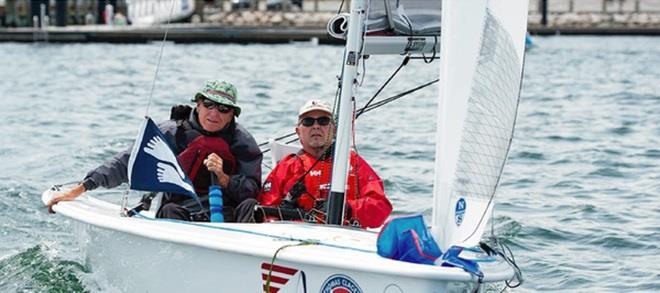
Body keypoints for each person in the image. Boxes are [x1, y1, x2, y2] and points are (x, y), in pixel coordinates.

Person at [46, 80, 262, 222]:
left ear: (233, 113)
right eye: (209, 105)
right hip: (180, 211)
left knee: (251, 206)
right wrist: (81, 188)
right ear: (197, 104)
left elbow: (253, 189)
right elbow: (125, 163)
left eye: (224, 109)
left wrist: (225, 179)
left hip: (228, 214)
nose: (215, 113)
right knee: (170, 212)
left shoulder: (242, 142)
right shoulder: (170, 132)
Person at [257, 99, 392, 228]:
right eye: (308, 122)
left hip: (346, 237)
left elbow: (381, 207)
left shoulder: (353, 162)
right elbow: (265, 213)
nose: (316, 126)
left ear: (333, 129)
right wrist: (286, 213)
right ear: (298, 131)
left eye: (323, 121)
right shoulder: (287, 167)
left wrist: (346, 208)